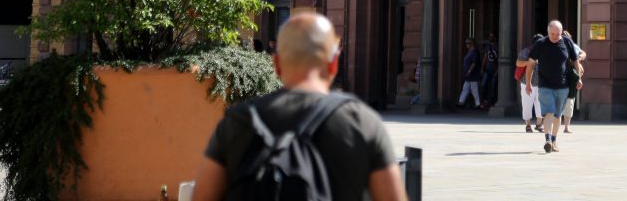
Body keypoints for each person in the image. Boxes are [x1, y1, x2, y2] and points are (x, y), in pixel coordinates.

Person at [192, 11, 406, 201]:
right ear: (333, 63)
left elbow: (203, 196)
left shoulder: (238, 121)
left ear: (276, 64)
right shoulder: (362, 123)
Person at [524, 20, 580, 153]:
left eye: (557, 34)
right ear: (548, 32)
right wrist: (528, 82)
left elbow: (575, 61)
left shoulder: (567, 42)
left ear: (561, 32)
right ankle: (548, 139)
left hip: (563, 86)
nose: (555, 36)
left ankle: (554, 140)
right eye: (552, 34)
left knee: (557, 115)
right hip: (545, 85)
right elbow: (530, 64)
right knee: (548, 112)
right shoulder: (540, 44)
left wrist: (579, 78)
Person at [515, 35, 544, 133]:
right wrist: (529, 62)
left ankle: (539, 124)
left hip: (541, 83)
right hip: (526, 83)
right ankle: (528, 125)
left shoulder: (544, 52)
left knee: (541, 105)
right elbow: (518, 63)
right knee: (527, 104)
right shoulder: (526, 52)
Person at [559, 30, 587, 133]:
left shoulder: (572, 46)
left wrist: (578, 59)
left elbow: (583, 53)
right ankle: (559, 125)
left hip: (571, 77)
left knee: (570, 101)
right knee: (560, 100)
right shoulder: (555, 46)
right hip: (559, 76)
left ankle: (566, 126)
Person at [457, 38, 481, 108]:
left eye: (468, 43)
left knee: (475, 90)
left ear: (472, 43)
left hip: (473, 75)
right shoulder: (470, 51)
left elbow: (474, 63)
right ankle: (461, 102)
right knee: (465, 88)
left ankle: (478, 104)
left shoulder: (474, 52)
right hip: (468, 76)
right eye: (466, 43)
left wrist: (469, 71)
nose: (466, 45)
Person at [478, 32, 498, 109]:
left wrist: (497, 71)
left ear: (495, 38)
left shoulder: (497, 46)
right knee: (483, 85)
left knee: (493, 87)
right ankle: (483, 101)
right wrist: (482, 68)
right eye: (489, 36)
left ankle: (491, 102)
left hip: (494, 70)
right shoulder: (488, 47)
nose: (490, 38)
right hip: (487, 69)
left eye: (492, 36)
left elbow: (499, 60)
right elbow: (485, 57)